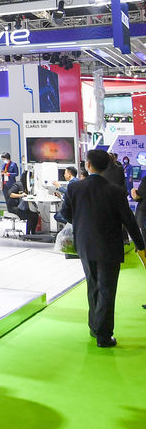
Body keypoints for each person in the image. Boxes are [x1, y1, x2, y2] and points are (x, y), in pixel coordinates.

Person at [59, 149, 146, 348]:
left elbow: (65, 213)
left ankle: (94, 327)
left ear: (88, 165)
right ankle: (104, 336)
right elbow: (129, 220)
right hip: (109, 245)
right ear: (107, 166)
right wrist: (140, 245)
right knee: (107, 288)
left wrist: (82, 224)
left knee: (93, 285)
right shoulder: (116, 191)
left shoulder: (75, 188)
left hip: (84, 244)